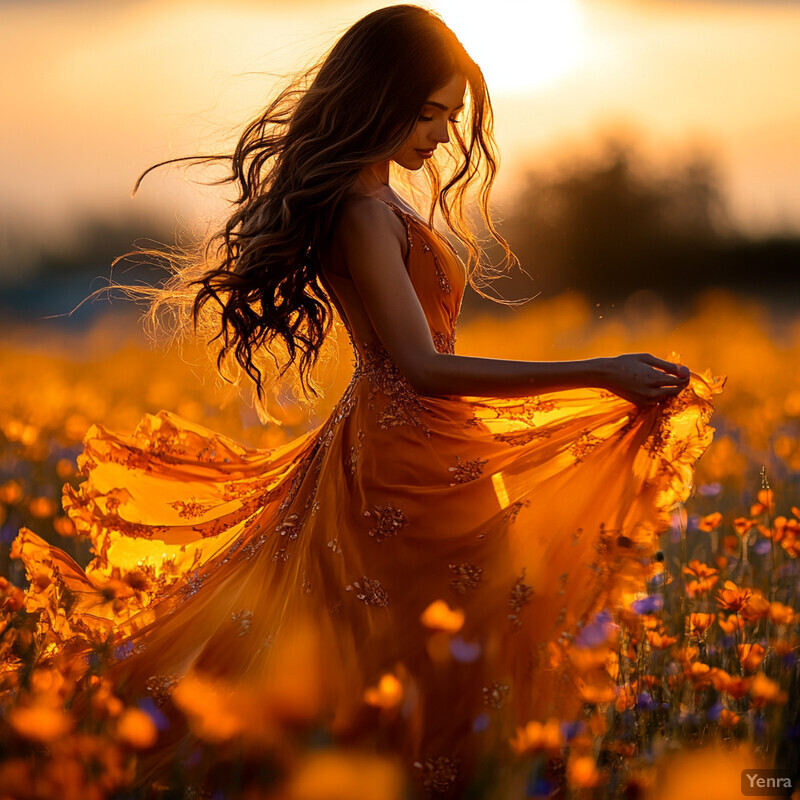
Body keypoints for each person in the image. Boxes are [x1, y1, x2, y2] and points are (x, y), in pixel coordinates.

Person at [4, 5, 722, 798]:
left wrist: (607, 378)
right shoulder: (358, 210)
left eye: (450, 118)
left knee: (470, 648)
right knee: (417, 657)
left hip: (437, 451)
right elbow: (418, 365)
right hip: (401, 466)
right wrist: (597, 371)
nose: (442, 138)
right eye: (428, 114)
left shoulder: (382, 196)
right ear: (381, 96)